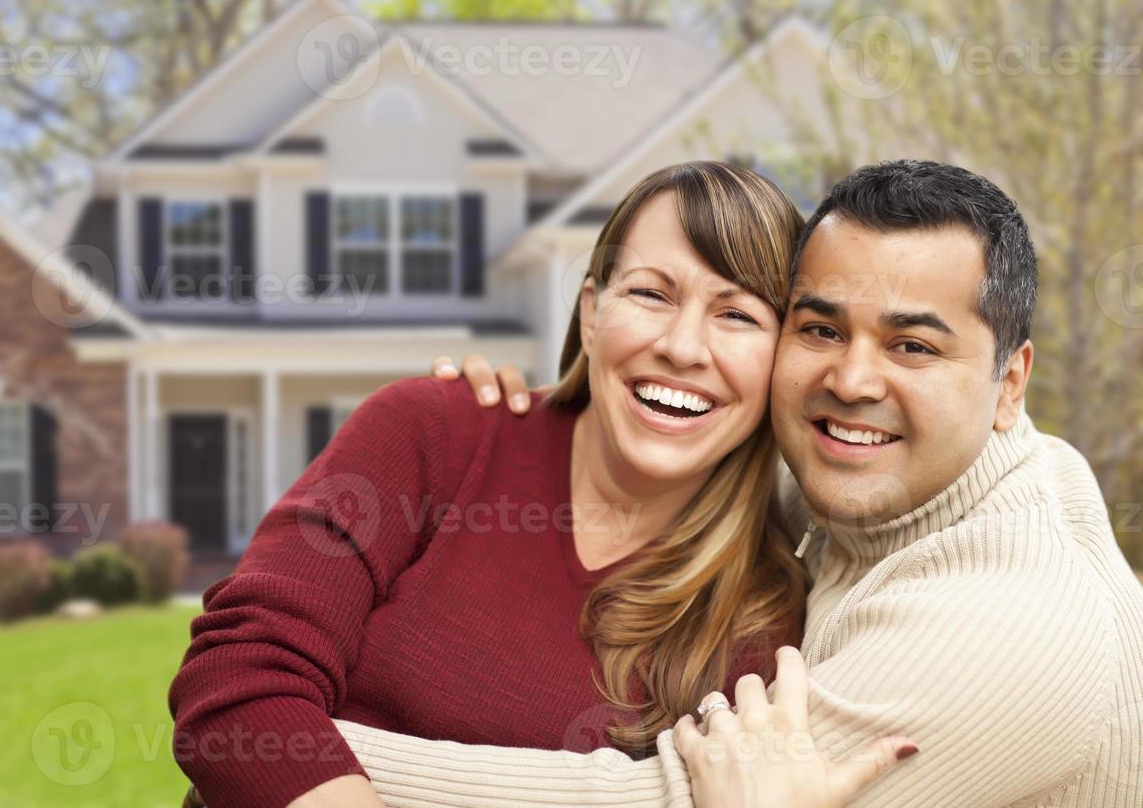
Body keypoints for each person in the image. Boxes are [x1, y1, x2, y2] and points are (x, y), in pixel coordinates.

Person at [333, 160, 1143, 807]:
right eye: (821, 329)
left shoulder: (1013, 627)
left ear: (1011, 384)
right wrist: (501, 421)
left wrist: (300, 750)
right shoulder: (849, 479)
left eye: (913, 348)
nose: (853, 380)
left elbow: (660, 801)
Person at [168, 162, 914, 808]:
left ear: (780, 359)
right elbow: (237, 684)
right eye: (651, 295)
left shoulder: (757, 617)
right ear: (591, 312)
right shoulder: (435, 434)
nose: (683, 348)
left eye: (737, 316)